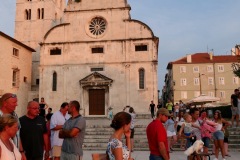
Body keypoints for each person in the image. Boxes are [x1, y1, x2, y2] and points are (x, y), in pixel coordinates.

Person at [0, 93, 26, 160]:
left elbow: (18, 135)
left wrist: (21, 152)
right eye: (14, 102)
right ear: (5, 103)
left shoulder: (15, 115)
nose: (16, 104)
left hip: (15, 152)